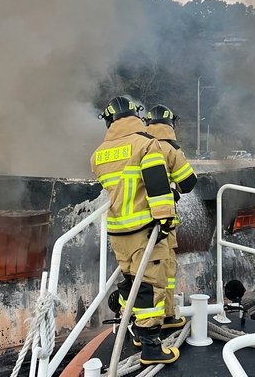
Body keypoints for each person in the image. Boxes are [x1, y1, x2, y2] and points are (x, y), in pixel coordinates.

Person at [90, 96, 180, 365]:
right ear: (135, 116)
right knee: (150, 285)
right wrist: (165, 219)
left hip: (118, 231)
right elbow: (157, 186)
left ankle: (131, 321)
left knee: (132, 279)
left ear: (109, 121)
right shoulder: (145, 144)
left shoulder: (98, 155)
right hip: (143, 229)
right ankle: (151, 346)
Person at [143, 104, 197, 330]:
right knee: (164, 270)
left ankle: (157, 318)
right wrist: (173, 191)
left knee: (147, 272)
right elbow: (189, 182)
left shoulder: (140, 145)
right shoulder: (169, 149)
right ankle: (158, 323)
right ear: (169, 124)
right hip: (163, 222)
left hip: (136, 223)